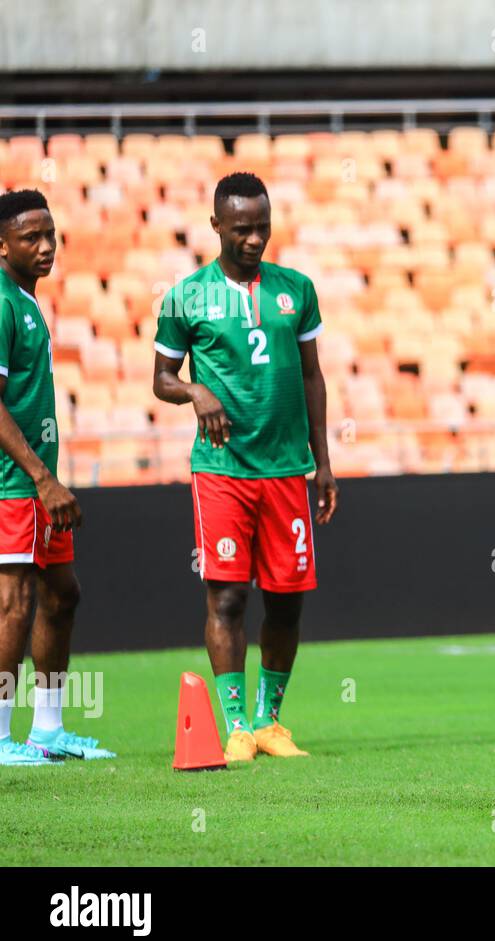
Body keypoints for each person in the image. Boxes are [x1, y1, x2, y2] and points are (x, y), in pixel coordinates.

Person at [152, 173, 337, 762]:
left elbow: (312, 375)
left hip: (287, 470)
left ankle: (269, 723)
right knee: (227, 600)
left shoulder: (296, 289)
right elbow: (161, 380)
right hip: (223, 469)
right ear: (216, 227)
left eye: (262, 226)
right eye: (242, 229)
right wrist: (194, 394)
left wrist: (323, 463)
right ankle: (234, 726)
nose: (255, 238)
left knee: (287, 600)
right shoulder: (185, 296)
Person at [0, 189, 113, 765]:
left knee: (60, 594)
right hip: (12, 482)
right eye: (30, 237)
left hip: (37, 480)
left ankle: (47, 730)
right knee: (14, 601)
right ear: (2, 244)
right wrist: (42, 478)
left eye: (50, 235)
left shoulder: (25, 299)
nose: (45, 247)